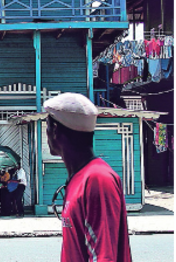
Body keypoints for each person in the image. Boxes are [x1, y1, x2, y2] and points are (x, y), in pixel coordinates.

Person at [42, 93, 133, 262]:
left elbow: (103, 256)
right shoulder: (79, 178)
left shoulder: (97, 180)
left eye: (46, 126)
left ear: (55, 131)